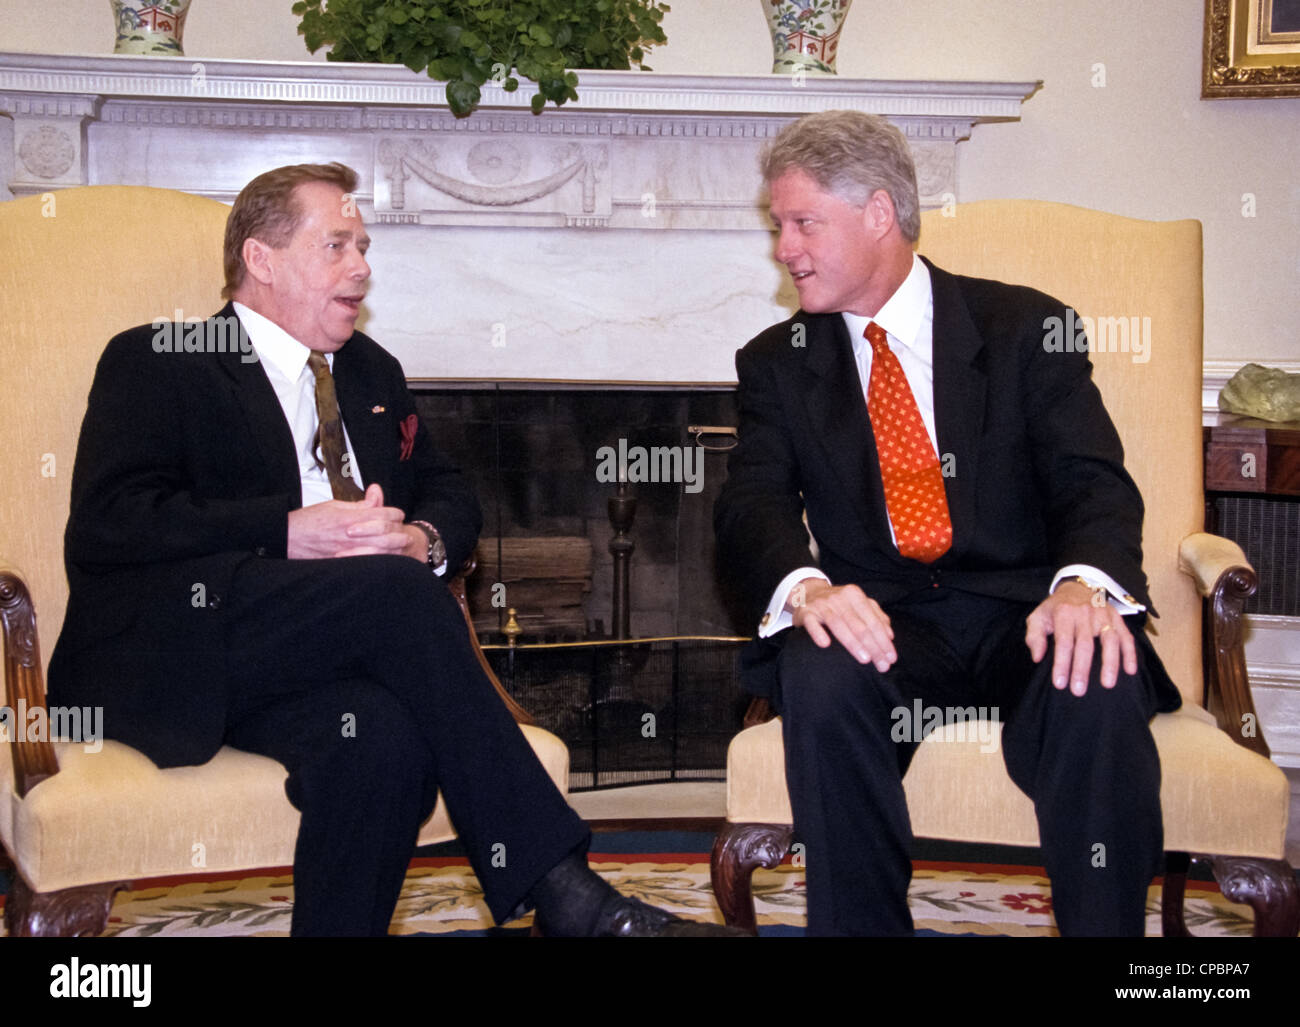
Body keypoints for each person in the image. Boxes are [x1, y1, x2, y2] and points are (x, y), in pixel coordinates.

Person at [48, 161, 739, 938]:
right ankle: (564, 891)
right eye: (337, 245)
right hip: (182, 643)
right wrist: (284, 528)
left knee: (381, 739)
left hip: (314, 660)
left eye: (365, 247)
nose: (363, 268)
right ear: (261, 259)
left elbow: (452, 488)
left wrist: (424, 537)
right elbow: (110, 523)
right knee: (396, 593)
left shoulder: (372, 372)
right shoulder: (159, 359)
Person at [714, 111, 1182, 937]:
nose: (784, 248)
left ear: (879, 214)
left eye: (801, 222)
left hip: (1024, 613)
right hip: (887, 621)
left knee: (1097, 662)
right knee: (815, 665)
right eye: (779, 225)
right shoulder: (775, 362)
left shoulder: (1027, 328)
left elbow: (1094, 482)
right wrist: (809, 587)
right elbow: (750, 503)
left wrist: (1081, 584)